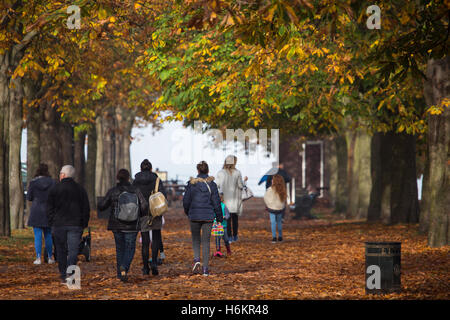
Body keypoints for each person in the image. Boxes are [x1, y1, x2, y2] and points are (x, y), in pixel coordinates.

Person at [97, 169, 148, 282]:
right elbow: (144, 206)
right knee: (130, 249)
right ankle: (124, 267)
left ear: (117, 178)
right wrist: (139, 214)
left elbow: (102, 205)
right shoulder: (136, 190)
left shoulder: (113, 191)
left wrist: (100, 203)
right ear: (128, 178)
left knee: (120, 249)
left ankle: (120, 275)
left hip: (117, 225)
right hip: (132, 225)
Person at [47, 165, 90, 284]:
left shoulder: (55, 189)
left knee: (60, 250)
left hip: (58, 224)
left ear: (63, 175)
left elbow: (49, 208)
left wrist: (51, 222)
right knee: (73, 250)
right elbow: (86, 208)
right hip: (75, 225)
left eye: (60, 173)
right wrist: (83, 223)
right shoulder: (80, 189)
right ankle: (70, 274)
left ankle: (62, 274)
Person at [183, 161, 222, 276]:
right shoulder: (212, 185)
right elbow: (216, 202)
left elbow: (186, 200)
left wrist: (188, 212)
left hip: (194, 215)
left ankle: (196, 259)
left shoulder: (191, 184)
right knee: (206, 242)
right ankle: (205, 268)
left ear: (198, 171)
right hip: (208, 216)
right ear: (208, 171)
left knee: (196, 239)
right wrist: (219, 217)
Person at [132, 159, 166, 276]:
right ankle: (155, 263)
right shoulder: (156, 180)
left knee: (145, 241)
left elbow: (132, 196)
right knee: (156, 238)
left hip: (142, 213)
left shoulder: (136, 181)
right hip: (155, 212)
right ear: (151, 168)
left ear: (141, 169)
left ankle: (145, 267)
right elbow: (163, 195)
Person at [27, 163, 56, 265]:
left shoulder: (33, 182)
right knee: (48, 235)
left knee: (37, 235)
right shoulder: (53, 182)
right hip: (49, 211)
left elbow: (29, 197)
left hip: (36, 211)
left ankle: (38, 258)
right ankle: (50, 257)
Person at [216, 155, 247, 243]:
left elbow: (217, 185)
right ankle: (235, 236)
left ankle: (229, 237)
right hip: (235, 199)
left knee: (227, 219)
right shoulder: (237, 172)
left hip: (225, 199)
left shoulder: (220, 173)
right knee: (235, 219)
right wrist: (244, 181)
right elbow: (241, 186)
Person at [264, 174, 287, 243]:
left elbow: (266, 198)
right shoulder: (282, 190)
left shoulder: (270, 189)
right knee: (279, 222)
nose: (271, 180)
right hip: (280, 208)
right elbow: (284, 199)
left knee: (273, 222)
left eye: (272, 179)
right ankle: (280, 237)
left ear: (274, 181)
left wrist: (268, 205)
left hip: (272, 208)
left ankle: (274, 237)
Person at [213, 193, 231, 257]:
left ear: (221, 199)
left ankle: (228, 249)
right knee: (217, 239)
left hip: (224, 226)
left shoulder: (224, 206)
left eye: (219, 198)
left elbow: (228, 215)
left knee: (226, 239)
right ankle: (218, 251)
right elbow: (213, 215)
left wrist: (224, 217)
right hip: (217, 225)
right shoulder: (214, 206)